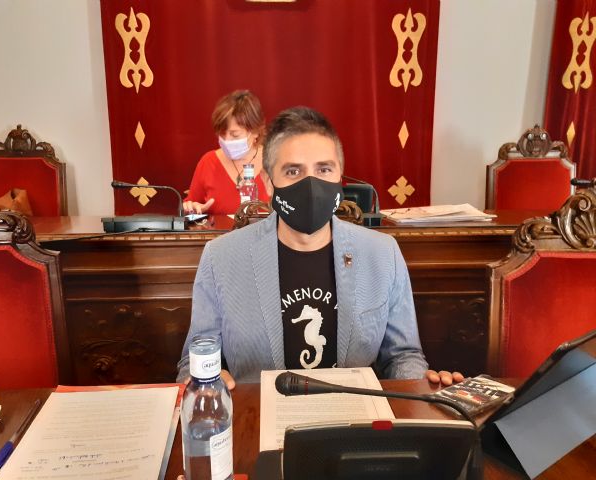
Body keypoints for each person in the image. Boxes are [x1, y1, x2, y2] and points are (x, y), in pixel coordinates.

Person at [177, 106, 462, 388]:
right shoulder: (221, 257)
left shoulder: (382, 253)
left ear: (340, 176)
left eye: (324, 169)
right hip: (258, 413)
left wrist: (423, 386)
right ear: (268, 182)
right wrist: (202, 380)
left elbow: (402, 356)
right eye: (293, 171)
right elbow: (193, 360)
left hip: (354, 413)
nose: (311, 184)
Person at [182, 90, 272, 215]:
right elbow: (189, 206)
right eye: (222, 134)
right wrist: (191, 208)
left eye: (235, 135)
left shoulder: (274, 161)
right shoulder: (208, 162)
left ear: (256, 131)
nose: (227, 140)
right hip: (217, 229)